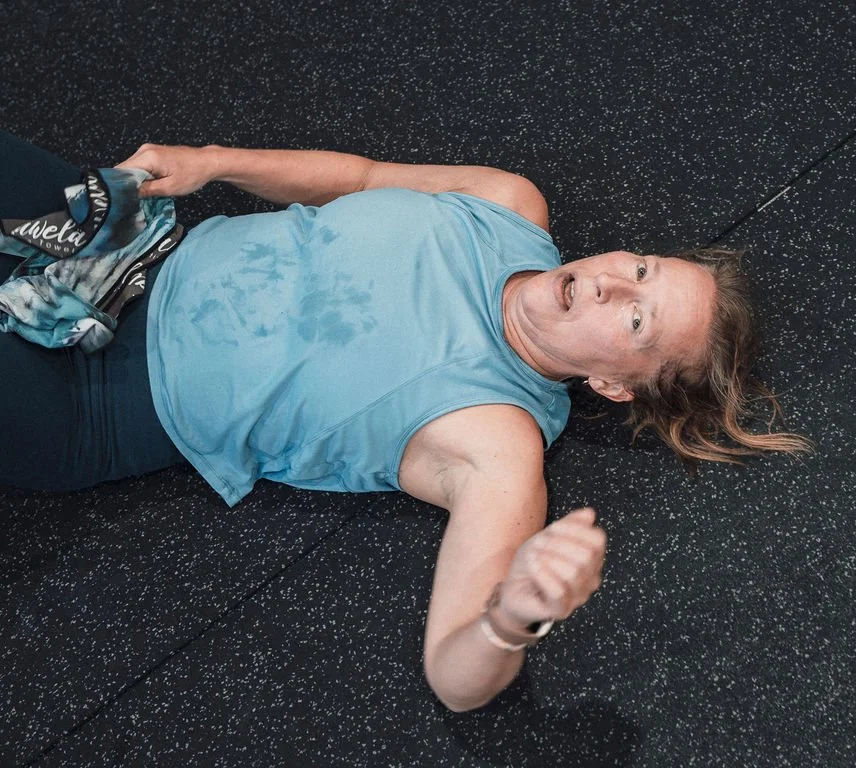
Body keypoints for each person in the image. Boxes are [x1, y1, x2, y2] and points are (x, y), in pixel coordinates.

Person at [0, 132, 808, 712]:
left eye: (638, 322)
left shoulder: (498, 441)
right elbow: (359, 176)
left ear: (612, 384)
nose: (610, 286)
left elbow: (456, 680)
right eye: (639, 270)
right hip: (128, 242)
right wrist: (214, 164)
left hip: (94, 398)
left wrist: (511, 616)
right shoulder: (507, 204)